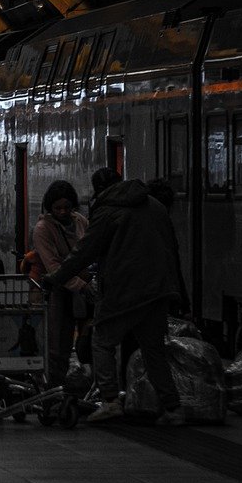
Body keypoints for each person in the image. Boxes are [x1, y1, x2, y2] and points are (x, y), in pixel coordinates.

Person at [45, 168, 188, 425]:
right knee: (153, 348)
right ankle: (173, 407)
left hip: (124, 290)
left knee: (102, 340)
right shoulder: (155, 205)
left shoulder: (107, 209)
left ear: (99, 190)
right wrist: (178, 290)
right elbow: (172, 249)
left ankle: (110, 400)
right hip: (158, 289)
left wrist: (55, 278)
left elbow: (84, 251)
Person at [30, 180, 92, 387]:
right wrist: (82, 285)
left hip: (79, 289)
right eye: (58, 208)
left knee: (85, 339)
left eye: (67, 207)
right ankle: (53, 387)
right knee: (56, 344)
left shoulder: (81, 221)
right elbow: (53, 267)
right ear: (50, 208)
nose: (63, 212)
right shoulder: (42, 229)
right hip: (53, 291)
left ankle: (72, 383)